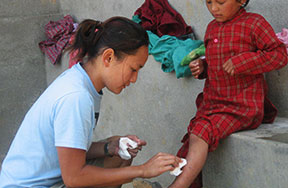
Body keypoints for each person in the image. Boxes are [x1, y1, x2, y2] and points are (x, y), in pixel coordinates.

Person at [0, 17, 181, 188]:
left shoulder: (83, 83)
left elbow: (70, 151)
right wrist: (143, 171)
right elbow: (73, 178)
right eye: (133, 69)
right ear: (108, 57)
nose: (134, 79)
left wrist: (110, 146)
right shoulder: (76, 97)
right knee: (120, 168)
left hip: (49, 179)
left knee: (120, 156)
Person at [169, 0, 288, 187]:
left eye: (221, 2)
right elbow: (216, 62)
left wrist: (245, 61)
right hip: (213, 104)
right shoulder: (212, 28)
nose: (214, 8)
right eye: (208, 2)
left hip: (242, 107)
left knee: (200, 131)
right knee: (187, 149)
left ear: (241, 0)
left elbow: (280, 55)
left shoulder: (254, 23)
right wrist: (203, 66)